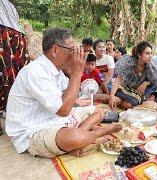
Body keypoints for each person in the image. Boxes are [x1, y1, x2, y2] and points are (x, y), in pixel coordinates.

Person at [5, 27, 122, 158]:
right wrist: (77, 73)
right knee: (72, 137)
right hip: (32, 131)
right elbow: (64, 110)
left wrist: (72, 72)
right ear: (55, 50)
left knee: (99, 111)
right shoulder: (35, 72)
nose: (75, 54)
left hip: (55, 119)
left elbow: (71, 98)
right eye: (72, 50)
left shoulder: (58, 71)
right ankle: (99, 132)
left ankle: (80, 138)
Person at [0, 0, 31, 136]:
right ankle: (21, 122)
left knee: (9, 77)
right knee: (17, 76)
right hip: (17, 34)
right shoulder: (9, 4)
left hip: (6, 32)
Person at [109, 41, 157, 110]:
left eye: (151, 53)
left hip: (137, 92)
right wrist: (112, 95)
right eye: (147, 53)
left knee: (128, 105)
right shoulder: (130, 62)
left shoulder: (151, 65)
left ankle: (115, 100)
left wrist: (146, 83)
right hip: (125, 88)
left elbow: (155, 81)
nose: (150, 56)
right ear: (139, 55)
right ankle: (111, 98)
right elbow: (119, 78)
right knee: (116, 99)